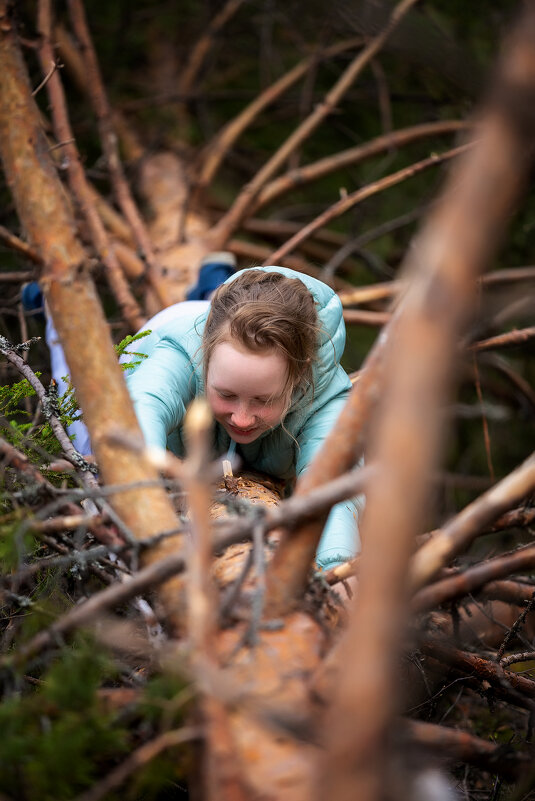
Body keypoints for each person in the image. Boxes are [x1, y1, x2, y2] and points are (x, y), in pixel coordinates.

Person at [125, 265, 362, 570]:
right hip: (168, 328)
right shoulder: (182, 354)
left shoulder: (324, 401)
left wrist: (336, 567)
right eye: (226, 395)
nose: (242, 418)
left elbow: (333, 489)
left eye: (263, 400)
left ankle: (212, 282)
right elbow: (144, 406)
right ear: (205, 359)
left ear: (299, 379)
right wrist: (139, 489)